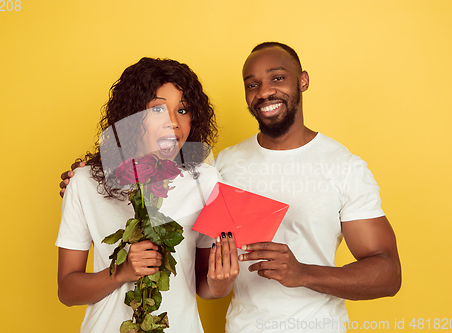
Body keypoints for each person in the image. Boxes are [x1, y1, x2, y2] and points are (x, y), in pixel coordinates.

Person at [60, 43, 401, 333]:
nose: (265, 91)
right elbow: (202, 279)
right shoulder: (221, 167)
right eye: (253, 84)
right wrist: (92, 177)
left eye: (277, 78)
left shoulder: (343, 166)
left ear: (303, 81)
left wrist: (302, 273)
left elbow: (387, 273)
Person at [56, 57, 238, 333]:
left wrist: (221, 283)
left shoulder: (205, 180)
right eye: (157, 110)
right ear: (130, 116)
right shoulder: (84, 182)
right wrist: (123, 272)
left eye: (183, 109)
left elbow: (203, 284)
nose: (174, 123)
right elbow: (68, 291)